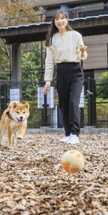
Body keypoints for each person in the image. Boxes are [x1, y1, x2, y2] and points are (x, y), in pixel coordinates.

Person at [43, 10, 87, 145]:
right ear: (54, 22)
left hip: (75, 71)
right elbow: (49, 61)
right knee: (64, 104)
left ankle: (75, 134)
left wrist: (83, 51)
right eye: (57, 19)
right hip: (61, 71)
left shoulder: (76, 35)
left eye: (62, 18)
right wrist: (48, 81)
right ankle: (67, 133)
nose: (60, 21)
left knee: (74, 102)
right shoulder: (52, 39)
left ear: (67, 20)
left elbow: (82, 56)